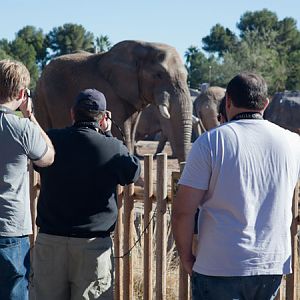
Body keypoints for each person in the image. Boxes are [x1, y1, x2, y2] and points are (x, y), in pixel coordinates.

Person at [172, 72, 300, 300]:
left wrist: (185, 256)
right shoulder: (293, 143)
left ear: (228, 101)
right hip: (271, 264)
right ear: (266, 104)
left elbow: (183, 211)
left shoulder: (211, 142)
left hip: (219, 264)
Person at [31, 88, 141, 300]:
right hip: (92, 246)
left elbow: (38, 163)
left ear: (73, 113)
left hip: (50, 242)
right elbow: (132, 172)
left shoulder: (52, 140)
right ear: (103, 118)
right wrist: (109, 134)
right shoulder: (113, 148)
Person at [0, 59, 55, 300]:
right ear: (23, 93)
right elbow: (48, 157)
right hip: (10, 228)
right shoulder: (22, 128)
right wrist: (30, 116)